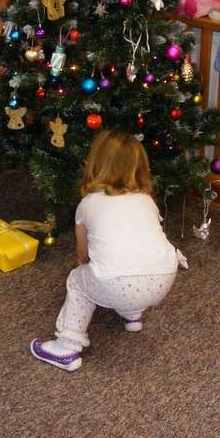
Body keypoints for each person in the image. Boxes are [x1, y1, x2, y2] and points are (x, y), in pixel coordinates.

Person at [30, 130, 187, 372]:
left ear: (95, 164)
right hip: (164, 278)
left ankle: (67, 346)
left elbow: (83, 253)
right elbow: (145, 240)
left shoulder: (87, 204)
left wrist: (83, 265)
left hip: (118, 282)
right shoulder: (146, 199)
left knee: (77, 281)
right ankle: (132, 315)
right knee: (132, 263)